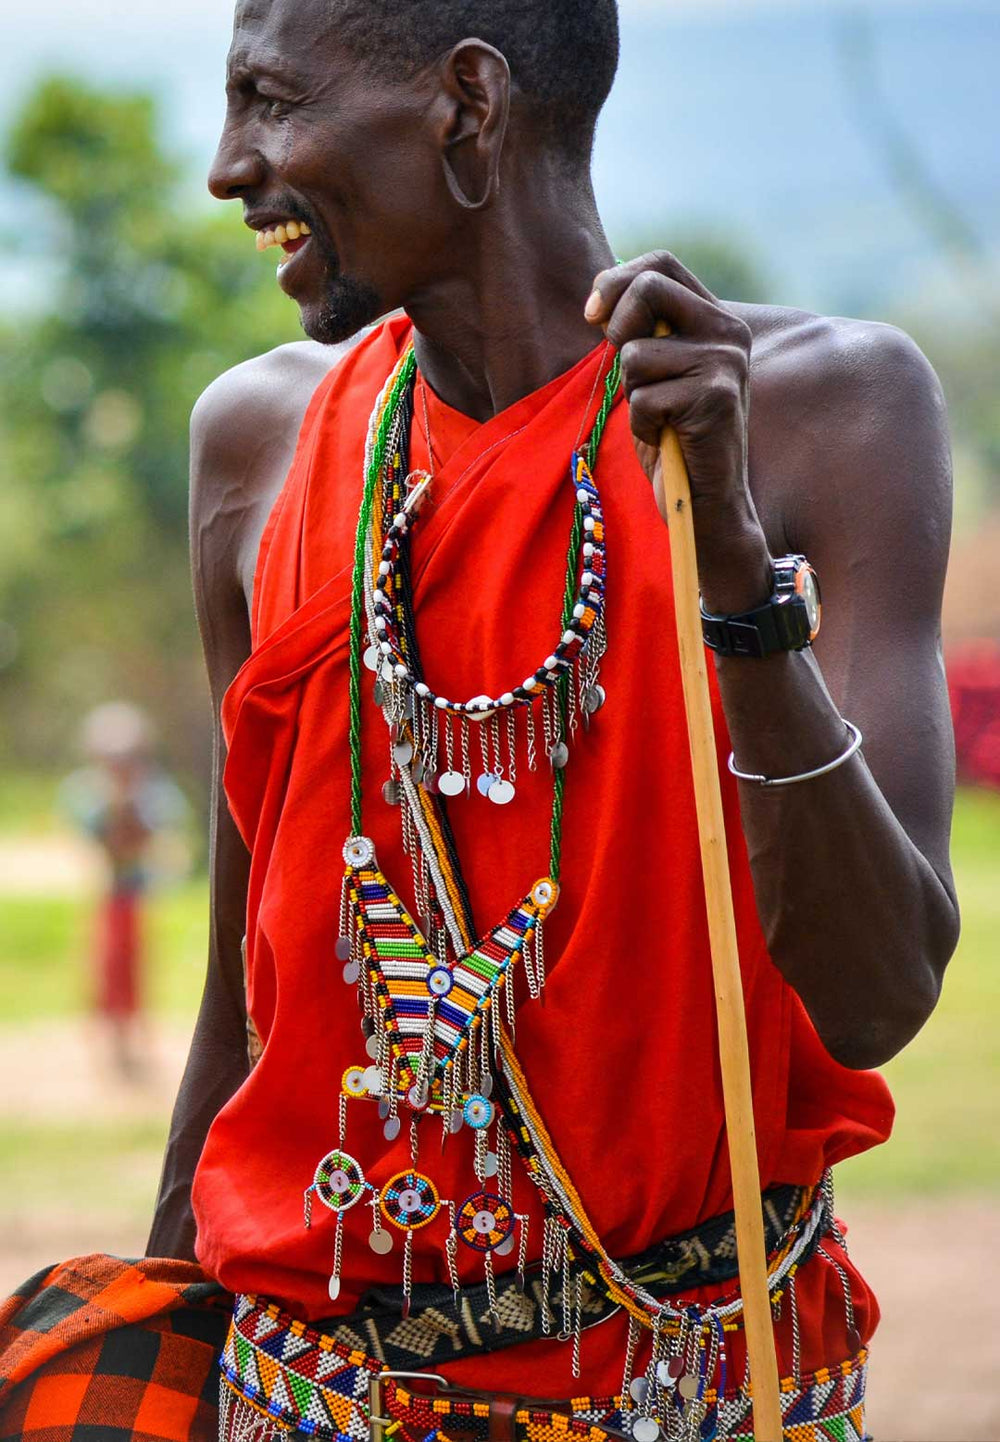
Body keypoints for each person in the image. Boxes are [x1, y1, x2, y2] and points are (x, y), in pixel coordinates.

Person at [0, 2, 958, 1439]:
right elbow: (244, 1013)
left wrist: (743, 587)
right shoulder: (257, 446)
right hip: (306, 1389)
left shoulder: (823, 413)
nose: (226, 165)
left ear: (465, 105)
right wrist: (166, 1336)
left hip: (694, 1388)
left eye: (268, 100)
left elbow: (876, 998)